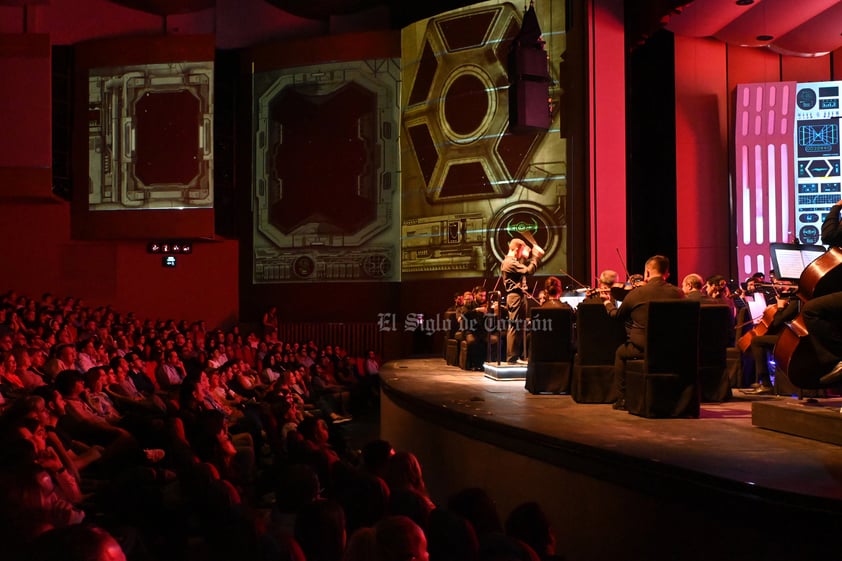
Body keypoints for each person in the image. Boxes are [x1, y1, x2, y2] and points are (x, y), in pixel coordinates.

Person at [602, 255, 684, 410]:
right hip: (671, 349)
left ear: (646, 273)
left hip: (642, 348)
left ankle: (622, 399)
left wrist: (607, 303)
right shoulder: (678, 293)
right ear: (667, 273)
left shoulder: (636, 294)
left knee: (620, 352)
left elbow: (617, 316)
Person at [501, 238, 544, 363]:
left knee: (518, 326)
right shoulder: (509, 262)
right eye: (522, 250)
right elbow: (528, 271)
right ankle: (512, 357)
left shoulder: (513, 262)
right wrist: (535, 257)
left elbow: (520, 271)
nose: (523, 252)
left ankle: (515, 356)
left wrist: (525, 258)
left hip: (518, 295)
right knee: (515, 326)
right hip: (515, 296)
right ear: (516, 249)